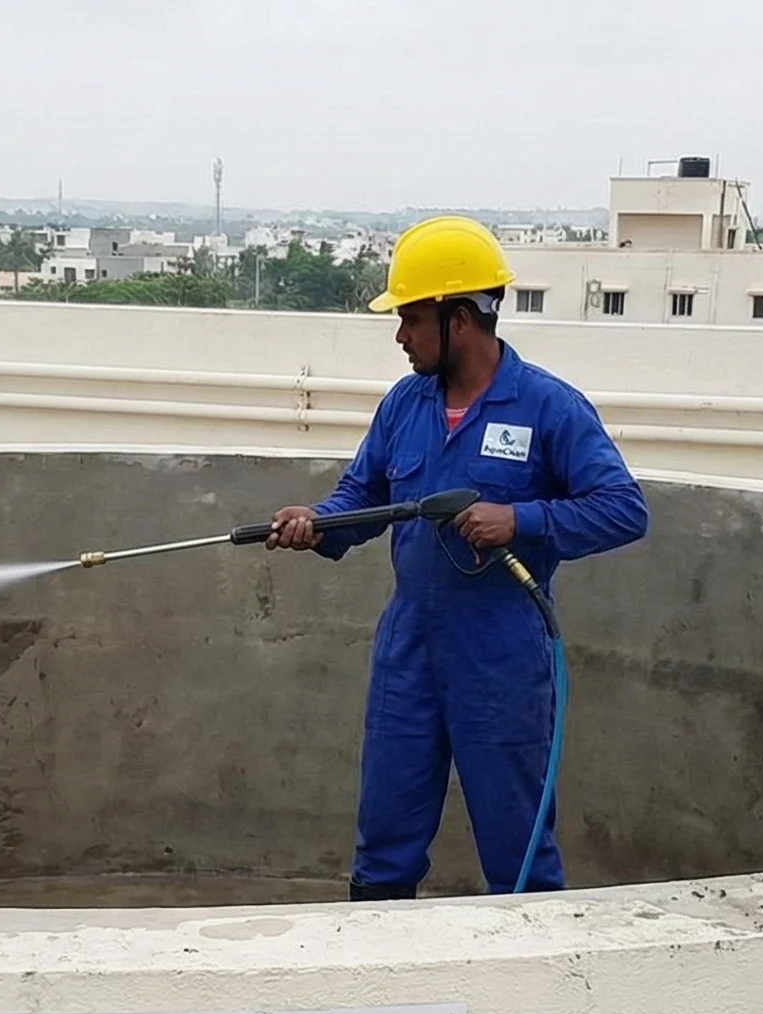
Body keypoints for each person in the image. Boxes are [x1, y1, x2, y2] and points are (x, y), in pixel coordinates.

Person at [266, 216, 647, 899]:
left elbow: (623, 508)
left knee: (517, 848)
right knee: (384, 844)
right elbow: (364, 493)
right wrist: (317, 522)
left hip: (502, 657)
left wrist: (521, 519)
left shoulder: (548, 408)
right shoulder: (405, 404)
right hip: (409, 648)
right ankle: (380, 956)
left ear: (460, 319)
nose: (401, 336)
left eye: (412, 319)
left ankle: (532, 958)